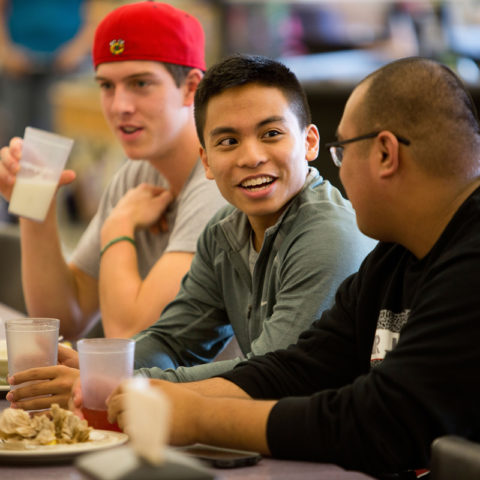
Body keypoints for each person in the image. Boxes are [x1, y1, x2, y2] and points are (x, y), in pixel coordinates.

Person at [106, 57, 480, 479]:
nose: (338, 172)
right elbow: (297, 368)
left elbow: (379, 420)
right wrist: (150, 393)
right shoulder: (394, 257)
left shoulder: (471, 263)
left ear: (384, 153)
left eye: (341, 151)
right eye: (228, 141)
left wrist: (198, 417)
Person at [7, 54, 375, 410]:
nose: (251, 156)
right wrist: (98, 371)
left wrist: (120, 383)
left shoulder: (328, 233)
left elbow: (276, 372)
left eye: (271, 134)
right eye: (228, 142)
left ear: (310, 142)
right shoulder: (223, 228)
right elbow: (174, 340)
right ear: (207, 160)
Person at [0, 2, 226, 340]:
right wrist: (36, 209)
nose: (120, 106)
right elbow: (64, 320)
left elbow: (134, 338)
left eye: (140, 83)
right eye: (106, 85)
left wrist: (118, 227)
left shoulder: (218, 182)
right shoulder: (136, 173)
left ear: (191, 87)